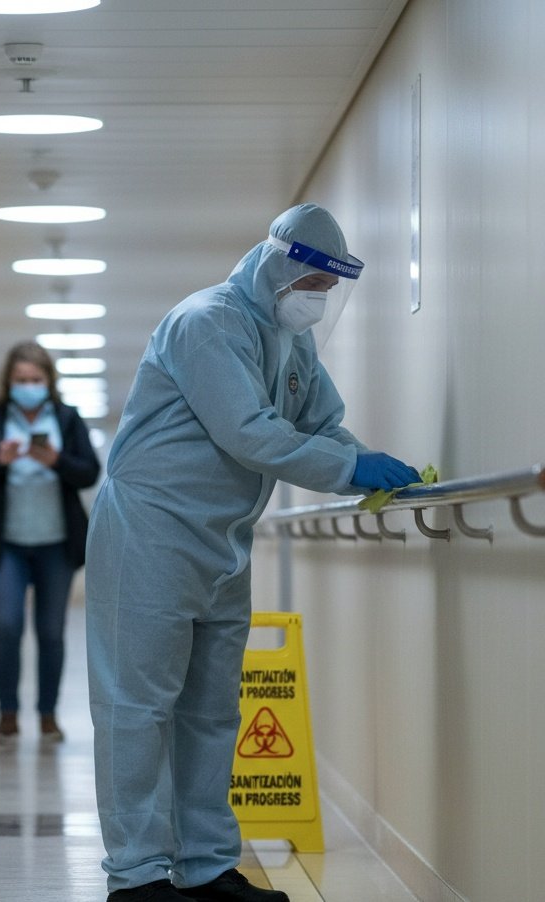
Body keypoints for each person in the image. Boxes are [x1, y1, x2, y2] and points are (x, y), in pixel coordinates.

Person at [85, 204, 421, 902]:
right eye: (313, 288)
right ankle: (138, 875)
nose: (318, 304)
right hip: (150, 533)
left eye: (329, 293)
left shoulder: (289, 343)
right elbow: (251, 433)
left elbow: (322, 422)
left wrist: (376, 463)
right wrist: (348, 472)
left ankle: (207, 866)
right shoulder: (205, 323)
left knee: (212, 709)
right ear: (280, 268)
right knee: (137, 706)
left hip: (223, 541)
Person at [0, 340, 101, 744]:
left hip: (57, 542)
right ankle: (7, 714)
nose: (28, 386)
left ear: (49, 382)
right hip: (6, 543)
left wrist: (55, 460)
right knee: (6, 626)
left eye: (36, 379)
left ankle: (48, 715)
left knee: (51, 631)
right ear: (8, 381)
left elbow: (89, 471)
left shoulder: (67, 419)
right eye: (21, 379)